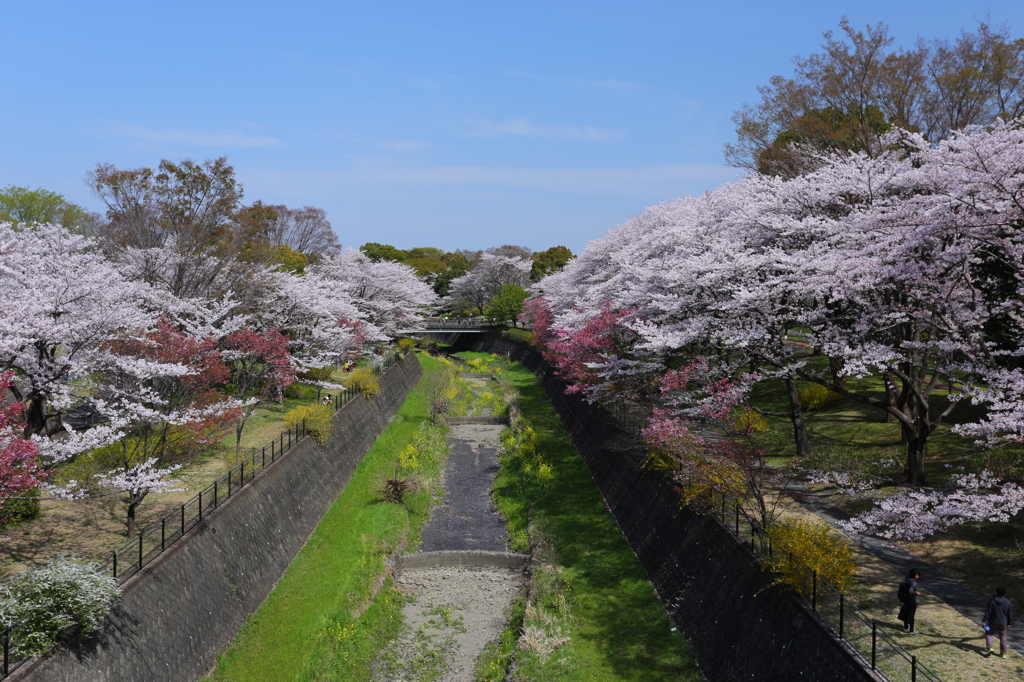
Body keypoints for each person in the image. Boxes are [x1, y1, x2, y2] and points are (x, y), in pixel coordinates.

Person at [983, 587, 1013, 658]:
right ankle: (1003, 653)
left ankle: (990, 648)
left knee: (989, 633)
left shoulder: (992, 601)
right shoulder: (1007, 602)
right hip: (1003, 622)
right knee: (1003, 638)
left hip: (992, 621)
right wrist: (1009, 622)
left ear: (996, 592)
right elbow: (1009, 613)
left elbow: (988, 612)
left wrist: (985, 620)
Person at [898, 568, 921, 633]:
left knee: (906, 614)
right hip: (912, 601)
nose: (918, 577)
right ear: (914, 575)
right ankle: (911, 630)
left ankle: (906, 627)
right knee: (911, 615)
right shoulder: (913, 582)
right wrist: (916, 593)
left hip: (906, 600)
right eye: (917, 575)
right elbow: (910, 591)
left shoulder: (906, 579)